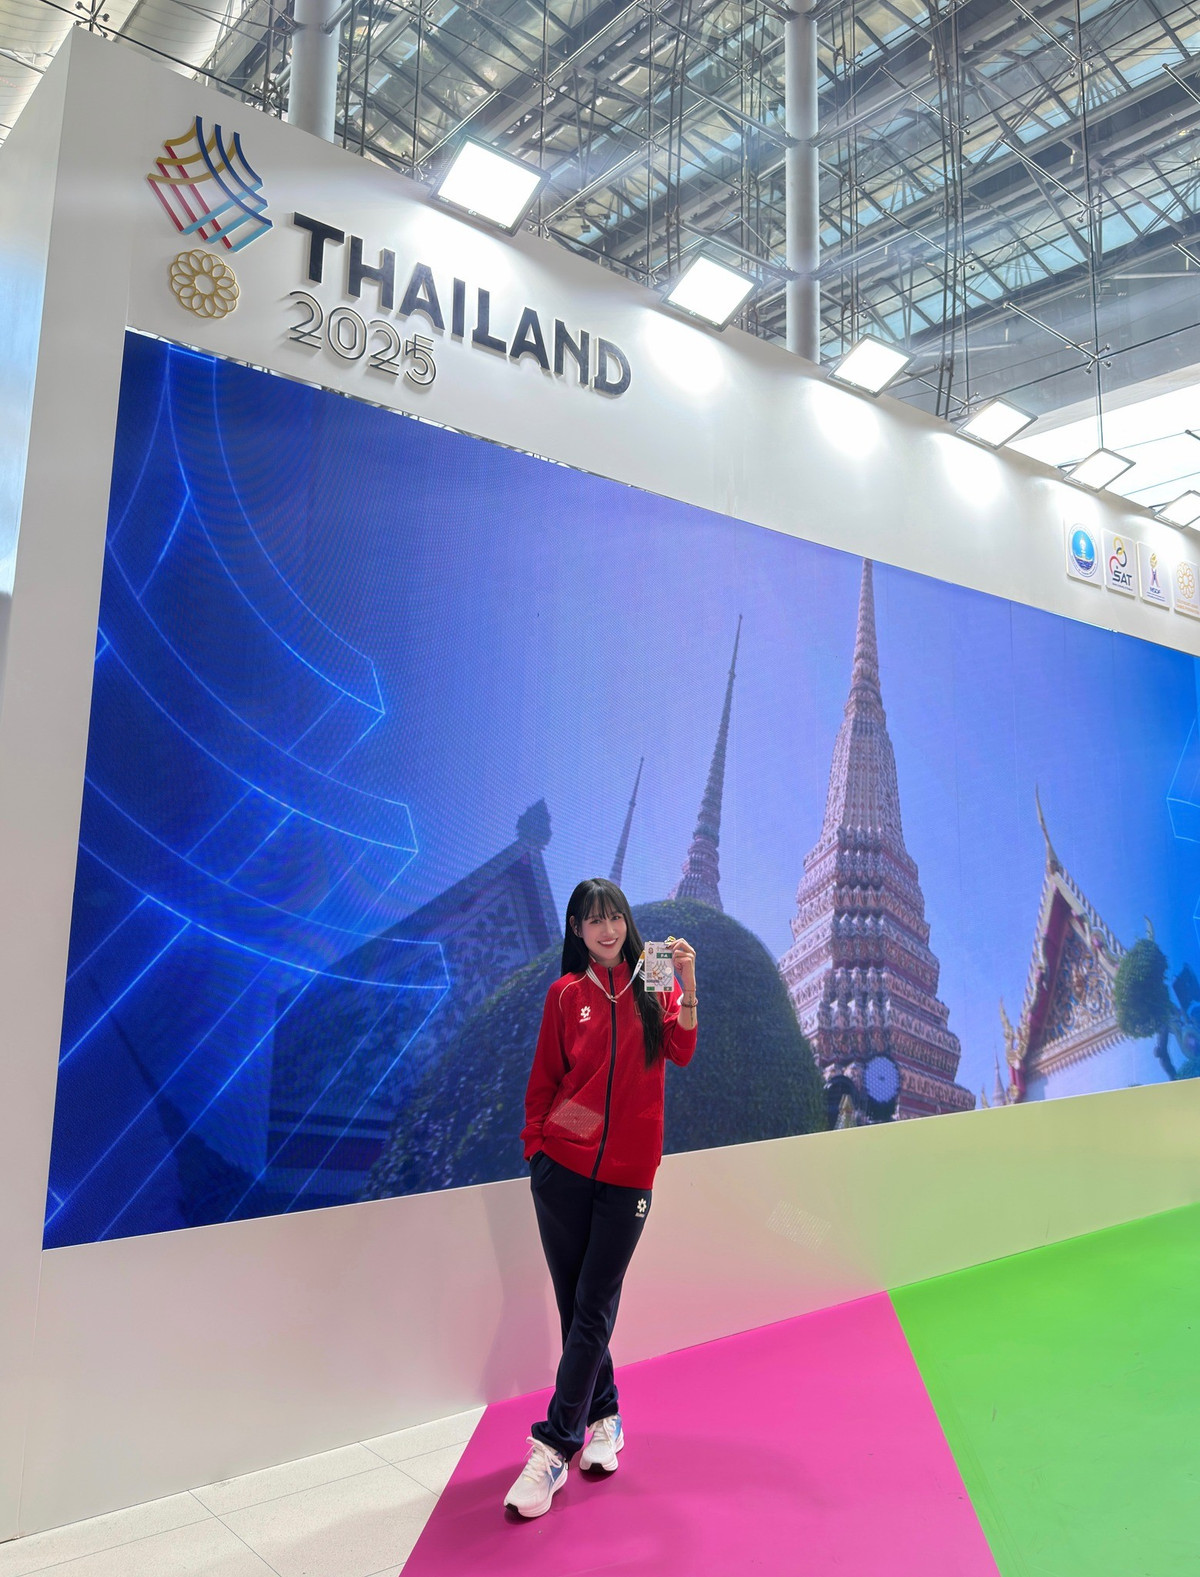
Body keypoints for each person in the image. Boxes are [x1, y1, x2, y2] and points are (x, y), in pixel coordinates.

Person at [504, 877, 698, 1518]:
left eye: (615, 917)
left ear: (626, 922)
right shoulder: (565, 993)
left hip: (629, 1175)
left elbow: (681, 1050)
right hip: (562, 1168)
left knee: (592, 1306)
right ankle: (606, 1418)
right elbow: (545, 1080)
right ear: (577, 930)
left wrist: (687, 985)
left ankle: (553, 1447)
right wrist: (538, 1150)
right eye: (594, 921)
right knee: (578, 1308)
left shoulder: (654, 975)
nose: (608, 930)